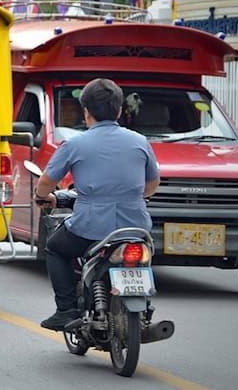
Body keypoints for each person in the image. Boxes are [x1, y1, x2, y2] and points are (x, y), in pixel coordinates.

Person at [33, 78, 160, 331]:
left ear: (86, 111)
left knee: (56, 248)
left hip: (90, 227)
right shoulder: (140, 142)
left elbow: (46, 182)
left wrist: (42, 194)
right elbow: (152, 184)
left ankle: (66, 309)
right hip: (135, 227)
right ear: (120, 110)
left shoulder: (74, 144)